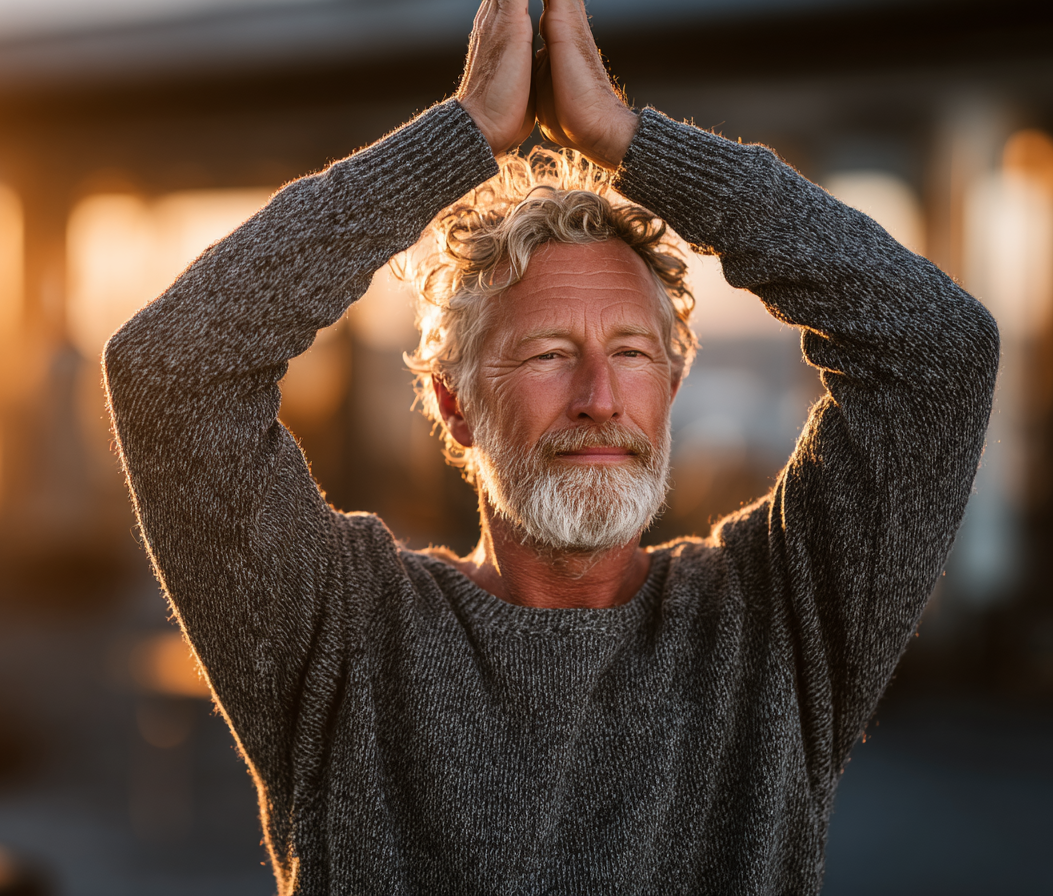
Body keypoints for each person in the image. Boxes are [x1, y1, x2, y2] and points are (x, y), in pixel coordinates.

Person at [103, 0, 999, 892]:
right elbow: (172, 369)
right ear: (454, 406)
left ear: (673, 388)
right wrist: (456, 142)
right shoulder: (341, 635)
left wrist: (634, 145)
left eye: (631, 353)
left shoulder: (775, 624)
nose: (599, 398)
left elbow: (937, 349)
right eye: (547, 355)